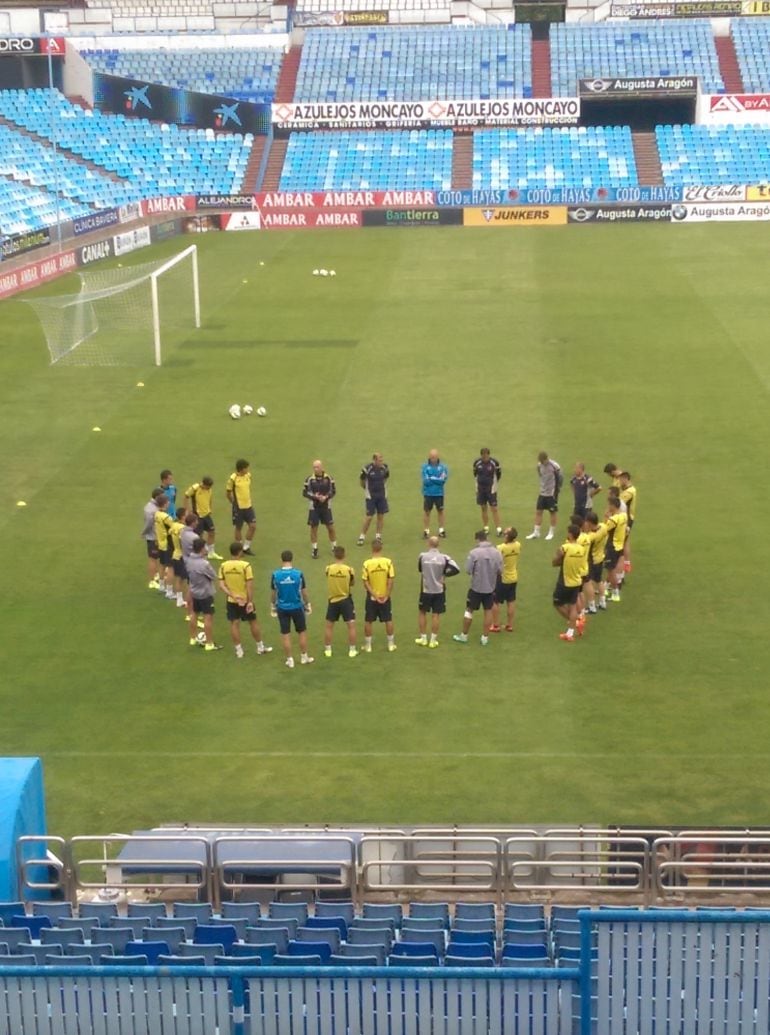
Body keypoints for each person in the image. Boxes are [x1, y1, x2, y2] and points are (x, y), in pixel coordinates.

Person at [218, 542, 272, 659]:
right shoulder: (245, 566)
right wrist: (250, 601)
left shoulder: (223, 566)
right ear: (240, 552)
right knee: (253, 622)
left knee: (234, 624)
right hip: (245, 600)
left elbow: (221, 585)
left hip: (231, 601)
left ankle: (239, 651)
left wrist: (233, 595)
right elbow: (249, 585)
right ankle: (260, 647)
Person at [453, 530, 503, 646]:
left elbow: (468, 570)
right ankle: (485, 638)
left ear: (477, 539)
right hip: (490, 588)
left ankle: (464, 635)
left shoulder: (474, 553)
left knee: (469, 610)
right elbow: (500, 571)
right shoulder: (497, 552)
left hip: (476, 588)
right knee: (488, 611)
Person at [270, 550, 314, 668]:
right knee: (302, 632)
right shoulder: (298, 574)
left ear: (281, 559)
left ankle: (290, 660)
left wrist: (273, 605)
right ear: (291, 559)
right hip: (297, 607)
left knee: (285, 634)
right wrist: (307, 604)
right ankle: (304, 657)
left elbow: (273, 593)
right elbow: (304, 592)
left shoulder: (276, 575)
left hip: (282, 608)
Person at [415, 536, 460, 648]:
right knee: (436, 615)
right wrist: (445, 574)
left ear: (428, 544)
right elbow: (456, 569)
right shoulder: (444, 557)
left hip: (426, 590)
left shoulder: (422, 556)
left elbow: (420, 569)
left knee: (422, 612)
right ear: (438, 545)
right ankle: (433, 641)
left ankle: (423, 639)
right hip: (439, 590)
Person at [552, 523, 587, 642]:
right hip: (577, 581)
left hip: (565, 581)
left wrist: (558, 559)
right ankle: (570, 633)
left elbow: (554, 562)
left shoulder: (565, 548)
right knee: (572, 606)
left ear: (571, 534)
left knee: (557, 603)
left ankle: (575, 622)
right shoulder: (582, 549)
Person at [186, 538, 222, 651]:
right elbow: (213, 575)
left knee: (194, 614)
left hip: (194, 592)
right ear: (202, 548)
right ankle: (209, 643)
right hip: (205, 594)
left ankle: (192, 638)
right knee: (208, 617)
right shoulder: (204, 564)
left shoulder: (189, 560)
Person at [361, 539, 396, 652]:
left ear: (372, 548)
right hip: (385, 597)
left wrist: (374, 595)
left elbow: (365, 582)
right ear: (381, 548)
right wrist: (386, 595)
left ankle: (368, 646)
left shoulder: (367, 564)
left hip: (372, 597)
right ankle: (391, 644)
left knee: (368, 620)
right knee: (388, 619)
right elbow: (390, 580)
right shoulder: (388, 562)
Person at [324, 546, 357, 658]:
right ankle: (352, 650)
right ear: (344, 555)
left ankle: (328, 650)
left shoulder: (328, 568)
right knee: (351, 625)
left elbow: (328, 577)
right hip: (345, 600)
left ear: (334, 555)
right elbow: (352, 583)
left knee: (329, 626)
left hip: (333, 600)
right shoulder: (349, 570)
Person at [303, 460, 337, 560]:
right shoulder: (309, 479)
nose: (315, 469)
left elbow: (333, 491)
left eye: (317, 467)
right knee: (314, 528)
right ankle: (314, 549)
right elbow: (305, 493)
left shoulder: (329, 478)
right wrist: (315, 497)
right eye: (314, 467)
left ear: (322, 467)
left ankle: (334, 547)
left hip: (326, 507)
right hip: (314, 508)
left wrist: (326, 497)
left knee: (330, 527)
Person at [526, 451, 562, 541]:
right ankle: (536, 532)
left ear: (546, 459)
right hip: (542, 492)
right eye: (541, 461)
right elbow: (540, 474)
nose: (542, 463)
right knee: (538, 511)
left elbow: (560, 477)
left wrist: (557, 489)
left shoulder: (554, 466)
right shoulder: (539, 466)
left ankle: (551, 532)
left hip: (552, 493)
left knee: (552, 512)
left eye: (543, 461)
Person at [490, 527, 520, 633]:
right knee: (511, 601)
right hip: (514, 577)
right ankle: (510, 625)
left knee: (495, 601)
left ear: (507, 536)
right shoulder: (518, 545)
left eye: (505, 532)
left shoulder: (501, 547)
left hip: (502, 578)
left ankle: (495, 625)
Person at [184, 476, 221, 560]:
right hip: (198, 515)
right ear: (204, 484)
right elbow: (186, 496)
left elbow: (209, 499)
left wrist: (210, 508)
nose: (209, 488)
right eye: (208, 486)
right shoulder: (195, 488)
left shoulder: (209, 490)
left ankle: (211, 552)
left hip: (206, 514)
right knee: (199, 536)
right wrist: (187, 510)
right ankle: (198, 553)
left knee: (212, 532)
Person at [357, 452, 390, 546]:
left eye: (382, 460)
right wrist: (366, 489)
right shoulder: (367, 469)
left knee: (380, 516)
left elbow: (385, 478)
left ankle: (378, 536)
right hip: (371, 496)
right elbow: (362, 481)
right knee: (369, 517)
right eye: (379, 460)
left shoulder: (385, 468)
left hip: (382, 495)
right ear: (374, 460)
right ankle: (362, 536)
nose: (381, 462)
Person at [225, 459, 256, 553]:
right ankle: (239, 549)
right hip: (238, 507)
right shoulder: (233, 478)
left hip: (248, 506)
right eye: (246, 468)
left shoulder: (248, 475)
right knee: (238, 528)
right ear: (242, 469)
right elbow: (228, 493)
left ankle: (246, 547)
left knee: (253, 526)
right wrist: (233, 503)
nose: (248, 469)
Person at [473, 448, 503, 537]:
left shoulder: (494, 463)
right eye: (483, 455)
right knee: (483, 507)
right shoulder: (477, 463)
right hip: (481, 489)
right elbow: (475, 475)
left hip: (491, 489)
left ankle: (498, 528)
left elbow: (498, 475)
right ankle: (486, 527)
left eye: (486, 455)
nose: (485, 457)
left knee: (494, 508)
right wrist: (477, 489)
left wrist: (494, 486)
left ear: (488, 455)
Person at [583, 511, 609, 613]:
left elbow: (584, 542)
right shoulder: (603, 527)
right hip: (600, 557)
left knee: (588, 583)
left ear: (589, 522)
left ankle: (592, 606)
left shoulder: (591, 536)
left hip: (592, 560)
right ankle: (602, 602)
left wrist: (585, 531)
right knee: (599, 581)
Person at [604, 496, 628, 603]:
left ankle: (615, 592)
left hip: (612, 547)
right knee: (611, 569)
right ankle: (606, 587)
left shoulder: (613, 520)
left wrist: (607, 517)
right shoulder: (624, 516)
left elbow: (605, 529)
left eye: (609, 505)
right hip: (619, 546)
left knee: (611, 570)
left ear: (613, 506)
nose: (608, 507)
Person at [421, 449, 449, 539]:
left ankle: (441, 530)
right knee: (427, 512)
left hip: (439, 494)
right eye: (432, 457)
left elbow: (442, 481)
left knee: (440, 511)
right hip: (428, 493)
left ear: (437, 457)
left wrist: (431, 478)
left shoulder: (443, 467)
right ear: (429, 457)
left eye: (435, 457)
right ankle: (426, 531)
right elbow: (426, 481)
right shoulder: (425, 467)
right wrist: (436, 479)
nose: (433, 459)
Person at [141, 487, 164, 589]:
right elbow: (148, 524)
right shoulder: (151, 509)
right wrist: (144, 533)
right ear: (157, 497)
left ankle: (156, 575)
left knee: (158, 557)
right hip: (153, 537)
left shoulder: (155, 506)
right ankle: (152, 581)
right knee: (153, 559)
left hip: (158, 536)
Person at [153, 493, 175, 599]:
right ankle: (169, 592)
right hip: (168, 544)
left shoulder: (156, 514)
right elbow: (174, 528)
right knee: (170, 567)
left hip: (160, 543)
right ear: (165, 504)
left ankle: (162, 587)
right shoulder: (166, 517)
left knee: (162, 564)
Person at [169, 505, 189, 609]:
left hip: (175, 553)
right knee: (183, 579)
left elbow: (169, 535)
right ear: (183, 516)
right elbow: (183, 541)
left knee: (178, 578)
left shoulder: (173, 525)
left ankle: (179, 599)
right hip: (181, 555)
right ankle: (182, 599)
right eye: (187, 514)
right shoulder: (182, 528)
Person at [618, 471, 637, 572]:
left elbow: (618, 503)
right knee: (625, 541)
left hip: (627, 520)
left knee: (621, 543)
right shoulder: (629, 489)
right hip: (627, 518)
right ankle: (627, 564)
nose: (620, 482)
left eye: (621, 480)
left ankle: (621, 567)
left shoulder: (629, 492)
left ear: (626, 479)